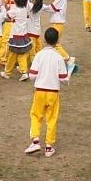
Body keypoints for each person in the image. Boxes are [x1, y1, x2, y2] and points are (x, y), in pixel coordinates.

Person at [25, 27, 68, 158]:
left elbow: (31, 76)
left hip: (39, 91)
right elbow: (64, 79)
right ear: (57, 41)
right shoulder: (59, 57)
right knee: (51, 119)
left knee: (36, 115)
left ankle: (35, 141)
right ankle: (49, 147)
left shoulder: (39, 55)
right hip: (53, 93)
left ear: (44, 39)